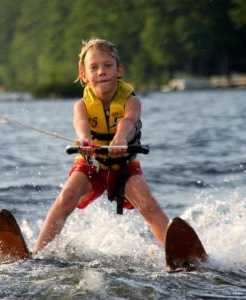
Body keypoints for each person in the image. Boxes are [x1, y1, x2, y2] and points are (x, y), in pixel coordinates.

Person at [33, 39, 169, 254]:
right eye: (94, 67)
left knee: (149, 205)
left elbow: (129, 121)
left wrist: (120, 139)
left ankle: (177, 252)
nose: (101, 71)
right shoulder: (81, 106)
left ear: (119, 70)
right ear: (84, 75)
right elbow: (81, 124)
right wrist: (86, 141)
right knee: (66, 197)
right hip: (92, 164)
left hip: (124, 166)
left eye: (108, 65)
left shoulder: (131, 102)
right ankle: (37, 253)